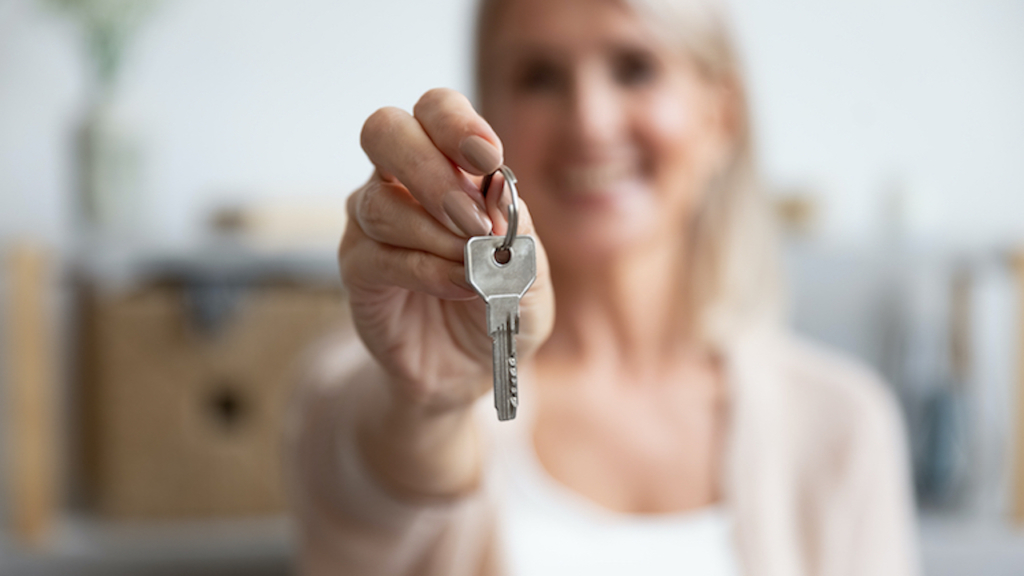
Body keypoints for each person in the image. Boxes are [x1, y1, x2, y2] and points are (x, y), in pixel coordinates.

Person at [285, 0, 919, 574]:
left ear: (720, 115)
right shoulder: (373, 387)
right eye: (539, 76)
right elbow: (359, 513)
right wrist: (428, 407)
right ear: (491, 115)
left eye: (635, 67)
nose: (589, 121)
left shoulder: (842, 422)